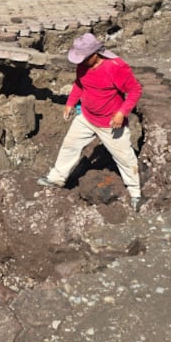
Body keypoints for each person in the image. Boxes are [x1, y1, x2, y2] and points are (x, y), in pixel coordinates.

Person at [38, 33, 145, 212]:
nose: (79, 62)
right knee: (69, 145)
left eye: (83, 58)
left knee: (125, 158)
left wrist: (121, 113)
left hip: (110, 123)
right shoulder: (83, 66)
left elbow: (135, 90)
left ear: (95, 54)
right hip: (87, 117)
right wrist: (70, 103)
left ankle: (135, 193)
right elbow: (79, 84)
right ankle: (57, 178)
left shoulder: (116, 67)